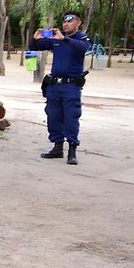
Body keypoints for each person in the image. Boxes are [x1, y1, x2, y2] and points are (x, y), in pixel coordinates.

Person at [29, 10, 91, 165]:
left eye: (70, 21)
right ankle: (57, 147)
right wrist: (35, 39)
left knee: (71, 117)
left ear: (79, 23)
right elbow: (35, 46)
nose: (66, 23)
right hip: (54, 85)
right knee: (53, 116)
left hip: (71, 86)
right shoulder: (56, 39)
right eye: (64, 21)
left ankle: (72, 150)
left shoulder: (80, 38)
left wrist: (65, 39)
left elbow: (84, 48)